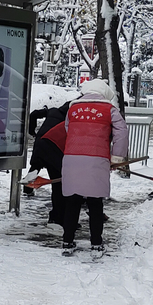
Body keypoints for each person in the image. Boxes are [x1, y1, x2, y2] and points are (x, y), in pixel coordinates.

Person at [61, 79, 127, 254]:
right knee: (95, 202)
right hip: (96, 159)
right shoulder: (110, 110)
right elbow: (121, 131)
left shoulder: (73, 109)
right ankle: (96, 242)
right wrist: (117, 157)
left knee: (72, 201)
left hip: (72, 157)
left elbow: (68, 129)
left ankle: (67, 241)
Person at [23, 101, 71, 223]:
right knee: (58, 183)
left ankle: (28, 187)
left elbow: (33, 114)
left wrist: (31, 131)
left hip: (40, 142)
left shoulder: (53, 110)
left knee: (36, 165)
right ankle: (57, 216)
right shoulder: (69, 119)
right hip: (53, 147)